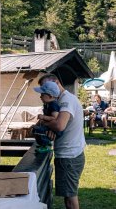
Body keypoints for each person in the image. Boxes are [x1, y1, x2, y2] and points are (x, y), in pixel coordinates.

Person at [36, 73, 85, 209]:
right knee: (68, 195)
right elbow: (59, 125)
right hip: (70, 154)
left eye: (46, 88)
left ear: (56, 83)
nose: (43, 93)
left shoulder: (66, 100)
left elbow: (59, 125)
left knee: (70, 198)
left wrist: (43, 123)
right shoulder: (61, 100)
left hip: (69, 156)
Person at [32, 81, 62, 153]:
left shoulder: (53, 105)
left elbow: (55, 117)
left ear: (50, 96)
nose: (40, 97)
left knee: (39, 131)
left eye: (42, 95)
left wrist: (43, 117)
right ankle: (43, 144)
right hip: (49, 126)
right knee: (35, 129)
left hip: (53, 129)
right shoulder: (47, 104)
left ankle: (45, 146)